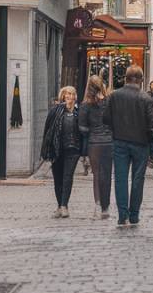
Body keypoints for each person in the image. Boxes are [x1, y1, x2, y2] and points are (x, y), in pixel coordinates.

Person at [103, 65, 153, 227]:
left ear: (125, 78)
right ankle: (134, 215)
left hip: (120, 141)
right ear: (141, 79)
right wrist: (150, 147)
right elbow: (152, 125)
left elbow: (106, 119)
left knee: (120, 178)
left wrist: (116, 129)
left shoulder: (114, 96)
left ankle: (122, 214)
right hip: (141, 143)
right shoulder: (146, 98)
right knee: (138, 180)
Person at [40, 86, 81, 217]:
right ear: (63, 96)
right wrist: (47, 148)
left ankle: (64, 206)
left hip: (73, 149)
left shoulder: (79, 111)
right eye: (67, 94)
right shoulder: (55, 111)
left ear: (75, 96)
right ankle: (59, 206)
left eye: (71, 94)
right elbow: (48, 130)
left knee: (68, 177)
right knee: (58, 178)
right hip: (57, 148)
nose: (69, 96)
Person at [78, 76, 112, 219]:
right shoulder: (109, 102)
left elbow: (82, 127)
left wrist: (91, 130)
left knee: (97, 175)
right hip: (109, 141)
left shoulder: (85, 105)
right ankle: (106, 207)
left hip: (94, 142)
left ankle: (98, 204)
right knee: (107, 175)